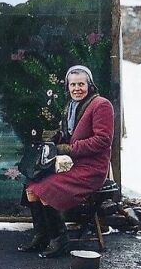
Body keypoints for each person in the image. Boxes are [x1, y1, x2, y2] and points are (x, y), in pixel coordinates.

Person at [18, 65, 114, 258]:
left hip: (91, 168)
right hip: (72, 163)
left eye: (81, 84)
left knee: (46, 189)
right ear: (68, 87)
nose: (77, 88)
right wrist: (55, 140)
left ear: (90, 85)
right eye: (73, 84)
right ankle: (42, 236)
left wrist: (69, 149)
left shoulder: (101, 105)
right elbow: (69, 135)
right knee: (31, 185)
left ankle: (60, 241)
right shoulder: (71, 106)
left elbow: (103, 140)